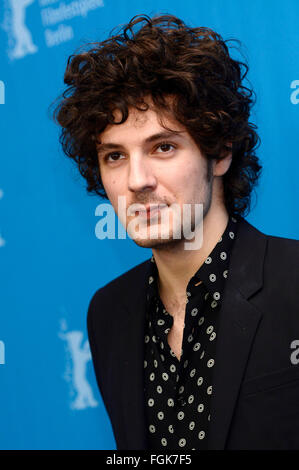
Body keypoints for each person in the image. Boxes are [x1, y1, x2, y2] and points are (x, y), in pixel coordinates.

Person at [53, 14, 299, 450]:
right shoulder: (109, 312)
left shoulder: (293, 281)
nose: (137, 180)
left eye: (162, 147)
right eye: (114, 156)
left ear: (219, 152)